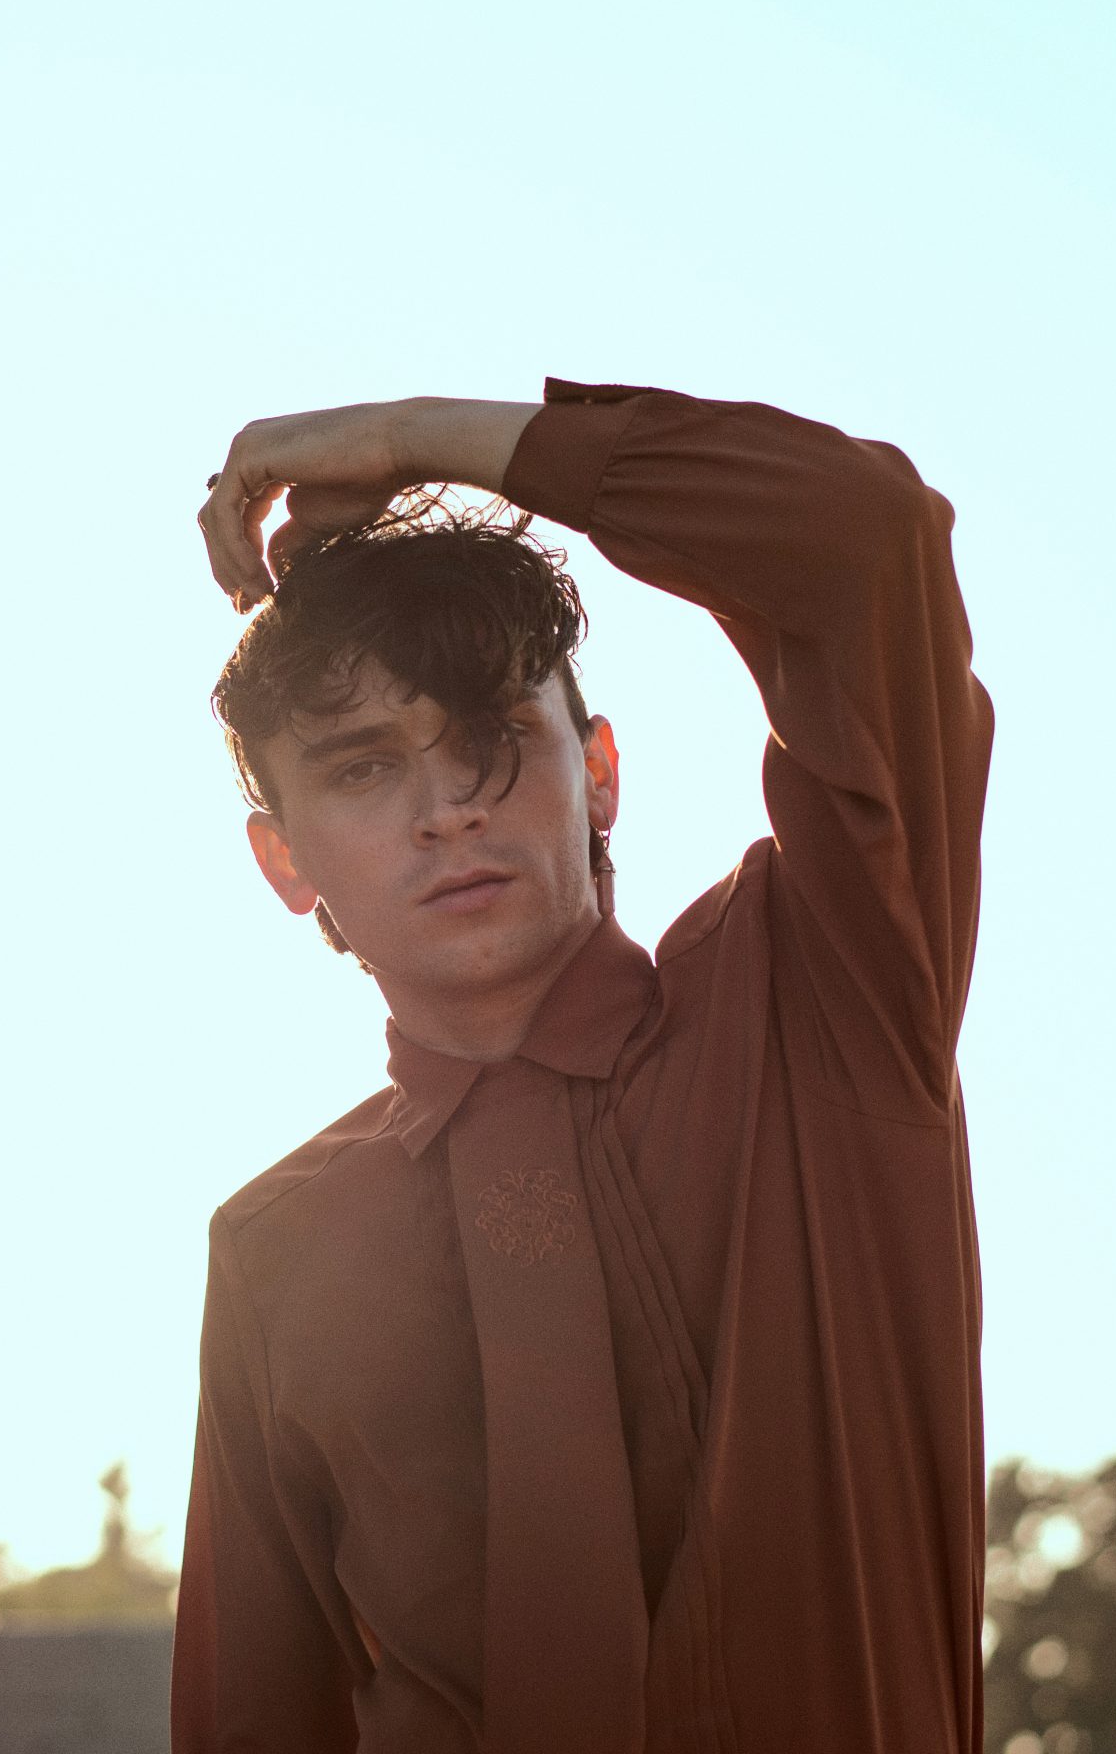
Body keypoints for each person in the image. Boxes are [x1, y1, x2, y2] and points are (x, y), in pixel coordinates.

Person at [173, 378, 995, 1754]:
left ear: (599, 770)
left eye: (491, 734)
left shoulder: (818, 1001)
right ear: (284, 860)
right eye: (363, 769)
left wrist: (428, 440)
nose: (446, 809)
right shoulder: (274, 1253)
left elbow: (871, 543)